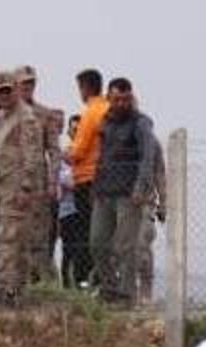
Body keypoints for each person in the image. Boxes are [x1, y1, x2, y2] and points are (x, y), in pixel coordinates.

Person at [90, 77, 155, 304]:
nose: (121, 104)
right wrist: (95, 186)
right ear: (109, 98)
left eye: (125, 99)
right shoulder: (105, 122)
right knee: (97, 242)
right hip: (104, 190)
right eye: (116, 99)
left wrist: (141, 186)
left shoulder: (141, 123)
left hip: (129, 194)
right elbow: (102, 157)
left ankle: (127, 295)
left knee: (125, 247)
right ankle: (110, 287)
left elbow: (149, 156)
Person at [0, 70, 45, 303]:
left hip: (17, 188)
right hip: (2, 188)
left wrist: (26, 187)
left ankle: (7, 289)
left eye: (7, 90)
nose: (3, 95)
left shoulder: (26, 117)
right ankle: (11, 288)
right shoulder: (3, 117)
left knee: (9, 240)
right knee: (7, 239)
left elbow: (33, 155)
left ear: (15, 90)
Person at [14, 65, 62, 283]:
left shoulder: (45, 115)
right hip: (11, 183)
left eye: (31, 83)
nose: (28, 87)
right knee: (13, 235)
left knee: (40, 237)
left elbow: (53, 150)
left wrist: (53, 181)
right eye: (24, 83)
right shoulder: (7, 115)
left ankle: (41, 284)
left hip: (38, 184)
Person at [67, 68, 108, 287]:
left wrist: (68, 154)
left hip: (86, 178)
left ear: (85, 87)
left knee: (85, 233)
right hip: (106, 178)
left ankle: (84, 278)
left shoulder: (90, 113)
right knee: (103, 231)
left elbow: (79, 150)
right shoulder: (108, 109)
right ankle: (102, 277)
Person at [135, 131, 167, 304]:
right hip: (118, 201)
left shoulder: (150, 141)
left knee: (142, 248)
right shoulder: (111, 134)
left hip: (144, 203)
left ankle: (145, 292)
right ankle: (125, 292)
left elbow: (160, 173)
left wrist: (163, 202)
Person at [57, 117, 85, 287]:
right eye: (73, 129)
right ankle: (67, 285)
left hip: (85, 209)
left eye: (78, 129)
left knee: (84, 249)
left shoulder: (91, 155)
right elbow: (64, 180)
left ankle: (83, 283)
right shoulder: (62, 156)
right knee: (68, 249)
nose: (75, 133)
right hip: (67, 210)